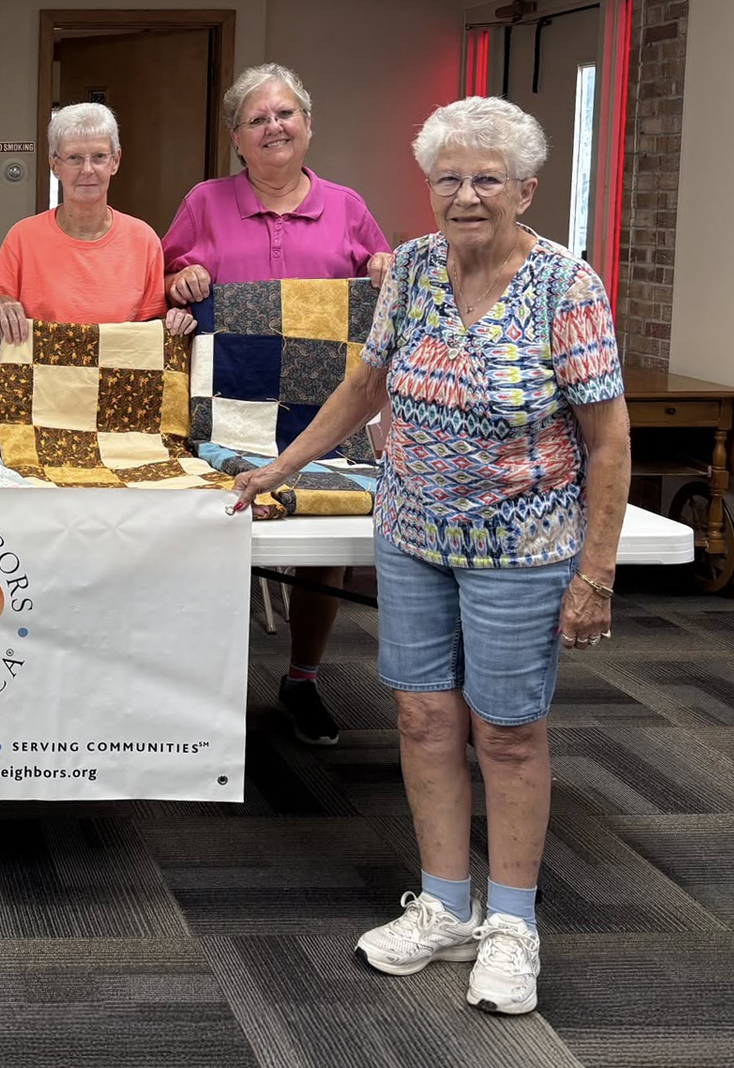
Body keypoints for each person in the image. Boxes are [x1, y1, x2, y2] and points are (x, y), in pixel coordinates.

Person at [231, 96, 629, 1017]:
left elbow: (607, 441)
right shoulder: (409, 268)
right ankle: (447, 906)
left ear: (526, 189)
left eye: (488, 179)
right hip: (410, 536)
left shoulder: (566, 286)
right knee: (420, 722)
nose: (466, 195)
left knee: (506, 732)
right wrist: (280, 467)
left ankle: (514, 924)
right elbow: (364, 387)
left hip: (521, 547)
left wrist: (595, 572)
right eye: (448, 178)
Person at [163, 63, 394, 748]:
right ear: (237, 137)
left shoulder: (349, 206)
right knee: (214, 537)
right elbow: (169, 283)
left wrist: (383, 268)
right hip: (227, 416)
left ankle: (302, 678)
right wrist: (183, 282)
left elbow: (388, 283)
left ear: (309, 125)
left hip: (324, 418)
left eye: (286, 114)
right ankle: (205, 686)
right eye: (258, 119)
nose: (274, 127)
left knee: (324, 550)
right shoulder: (204, 201)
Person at [0, 102, 194, 342]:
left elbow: (150, 331)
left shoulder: (143, 240)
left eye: (99, 157)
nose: (87, 170)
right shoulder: (22, 237)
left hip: (119, 377)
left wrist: (176, 320)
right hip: (42, 378)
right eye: (74, 158)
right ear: (55, 165)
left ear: (115, 161)